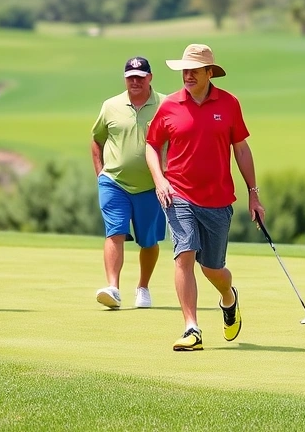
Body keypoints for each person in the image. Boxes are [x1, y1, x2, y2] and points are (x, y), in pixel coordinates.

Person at [145, 43, 264, 352]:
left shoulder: (229, 104)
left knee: (212, 268)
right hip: (178, 193)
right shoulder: (169, 105)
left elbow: (241, 148)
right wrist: (160, 181)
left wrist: (253, 194)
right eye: (184, 71)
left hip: (219, 199)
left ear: (210, 73)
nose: (187, 76)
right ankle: (191, 328)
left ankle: (228, 297)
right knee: (184, 255)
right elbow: (152, 145)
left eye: (194, 71)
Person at [91, 57, 167, 310]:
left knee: (149, 241)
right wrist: (100, 173)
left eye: (140, 76)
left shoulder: (166, 104)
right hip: (114, 182)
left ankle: (143, 287)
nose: (135, 81)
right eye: (130, 76)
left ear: (150, 78)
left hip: (151, 186)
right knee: (115, 232)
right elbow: (97, 140)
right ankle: (113, 287)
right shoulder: (111, 105)